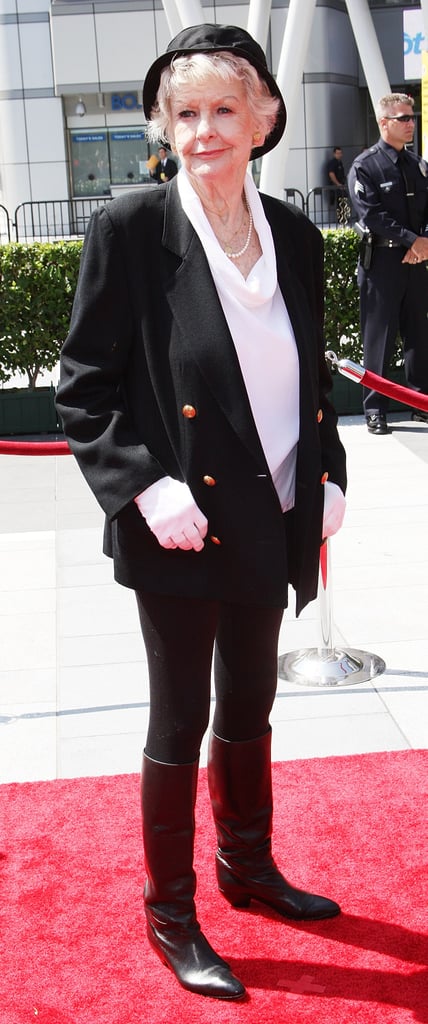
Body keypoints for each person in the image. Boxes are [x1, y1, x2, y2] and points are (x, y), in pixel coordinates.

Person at [56, 23, 347, 1002]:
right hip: (177, 522)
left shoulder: (296, 235)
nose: (205, 129)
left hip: (269, 513)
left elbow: (311, 378)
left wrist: (328, 471)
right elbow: (83, 389)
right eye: (185, 112)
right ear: (163, 125)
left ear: (261, 119)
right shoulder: (132, 229)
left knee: (252, 704)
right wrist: (144, 484)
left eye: (225, 108)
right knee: (180, 715)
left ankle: (248, 867)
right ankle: (171, 910)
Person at [348, 93, 428, 434]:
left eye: (412, 117)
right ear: (384, 123)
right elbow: (371, 215)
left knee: (419, 335)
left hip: (417, 261)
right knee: (378, 338)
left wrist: (423, 242)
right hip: (382, 262)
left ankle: (420, 402)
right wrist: (414, 240)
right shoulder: (365, 166)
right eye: (403, 118)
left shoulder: (418, 165)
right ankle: (375, 409)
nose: (410, 123)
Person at [327, 146, 349, 224]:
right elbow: (331, 174)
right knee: (340, 203)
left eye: (340, 153)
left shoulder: (340, 163)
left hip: (341, 187)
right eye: (337, 153)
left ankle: (344, 219)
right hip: (336, 187)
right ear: (334, 154)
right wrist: (338, 184)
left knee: (343, 202)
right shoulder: (333, 163)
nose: (339, 155)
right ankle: (341, 220)